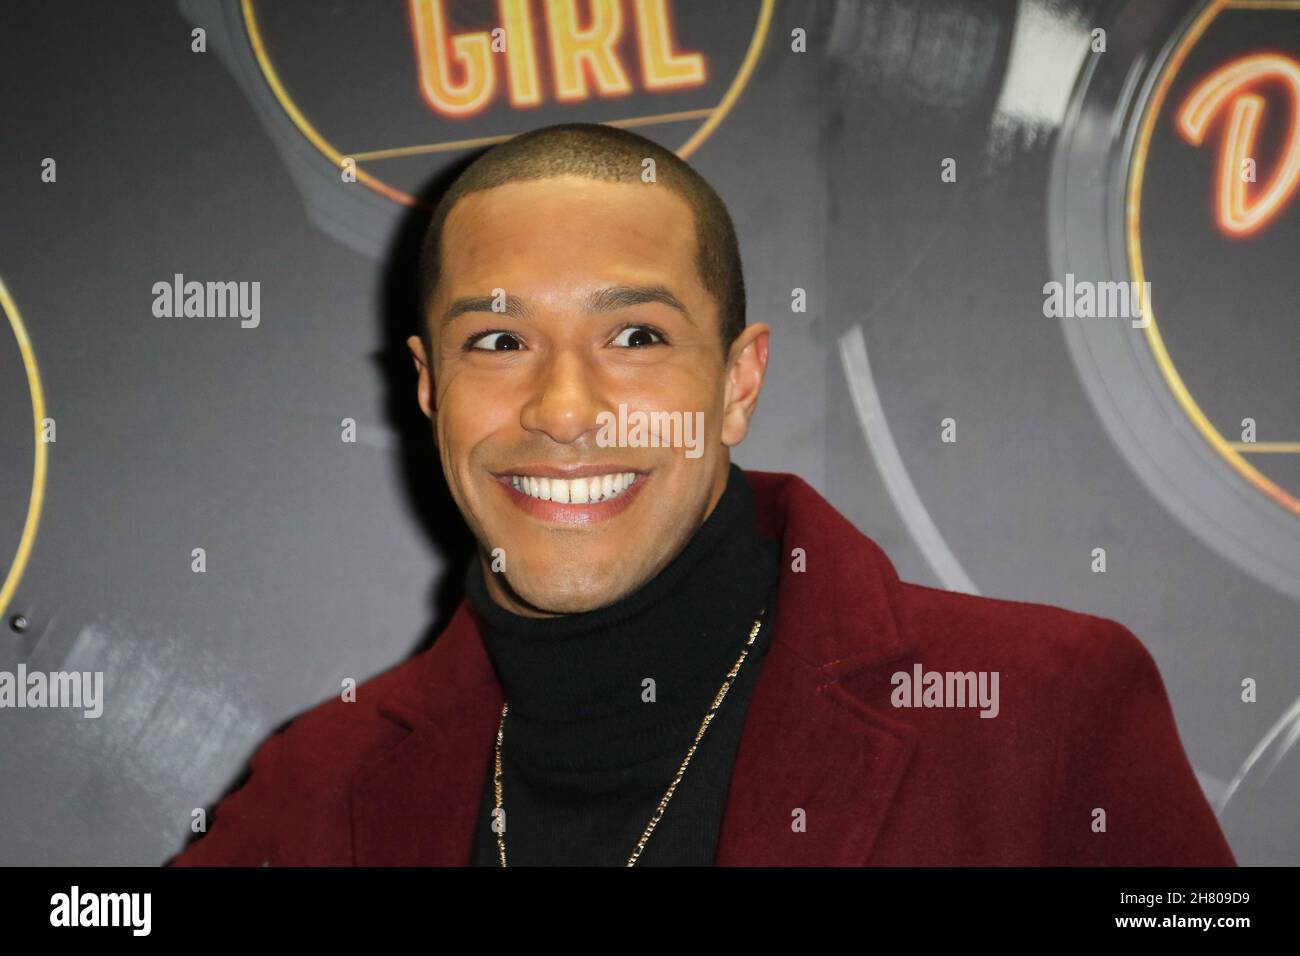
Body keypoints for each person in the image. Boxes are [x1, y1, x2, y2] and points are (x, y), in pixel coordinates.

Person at [169, 123, 1235, 866]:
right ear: (429, 388)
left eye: (635, 336)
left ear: (736, 383)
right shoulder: (319, 781)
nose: (565, 407)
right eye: (497, 340)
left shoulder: (1040, 709)